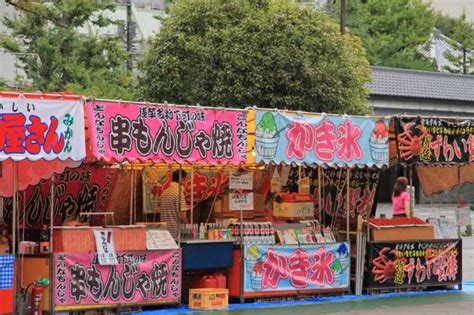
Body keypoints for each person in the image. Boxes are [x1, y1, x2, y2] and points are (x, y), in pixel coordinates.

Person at [160, 170, 189, 239]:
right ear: (181, 179)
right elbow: (182, 216)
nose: (185, 182)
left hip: (164, 232)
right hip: (175, 233)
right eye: (185, 179)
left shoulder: (165, 192)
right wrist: (188, 227)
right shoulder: (178, 193)